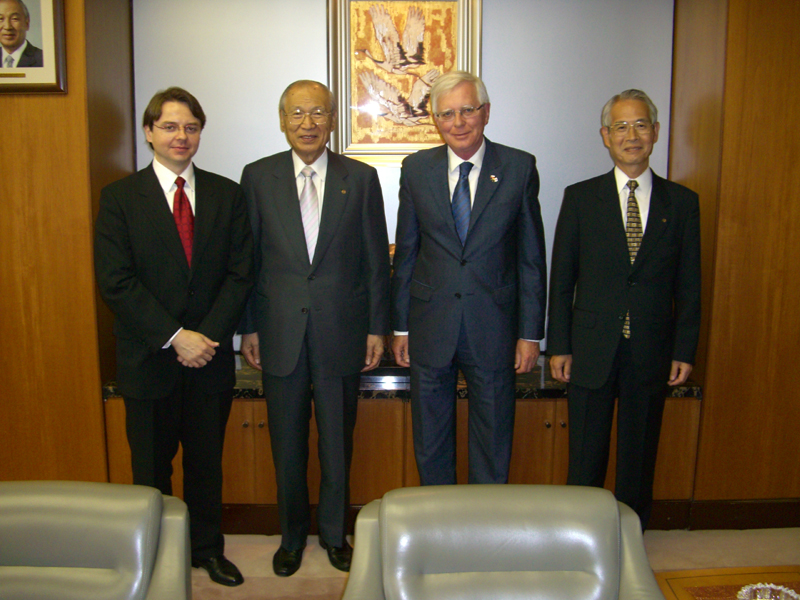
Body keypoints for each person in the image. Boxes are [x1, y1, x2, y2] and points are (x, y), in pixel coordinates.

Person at [94, 87, 253, 586]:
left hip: (209, 359)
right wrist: (175, 336)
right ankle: (157, 559)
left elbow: (240, 274)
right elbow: (116, 281)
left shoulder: (228, 193)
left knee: (206, 467)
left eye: (190, 127)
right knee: (151, 473)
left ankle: (207, 550)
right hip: (148, 360)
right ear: (149, 133)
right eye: (169, 126)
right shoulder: (119, 198)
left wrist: (203, 337)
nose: (181, 136)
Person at [238, 80, 390, 577]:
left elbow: (375, 261)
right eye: (298, 113)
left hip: (342, 333)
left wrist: (376, 328)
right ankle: (289, 538)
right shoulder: (257, 177)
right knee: (286, 444)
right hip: (278, 333)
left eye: (318, 113)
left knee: (337, 444)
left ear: (331, 121)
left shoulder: (361, 178)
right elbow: (249, 261)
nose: (308, 123)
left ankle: (333, 534)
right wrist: (248, 328)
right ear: (283, 120)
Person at [547, 89, 701, 529]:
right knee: (585, 455)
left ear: (654, 132)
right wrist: (558, 345)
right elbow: (562, 280)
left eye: (640, 125)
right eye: (621, 126)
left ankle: (631, 535)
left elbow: (690, 286)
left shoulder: (682, 203)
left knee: (639, 455)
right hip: (591, 348)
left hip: (652, 350)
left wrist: (684, 350)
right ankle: (580, 534)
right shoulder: (580, 198)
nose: (631, 135)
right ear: (605, 136)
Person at [391, 70, 547, 486]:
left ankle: (484, 531)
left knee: (493, 438)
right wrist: (400, 326)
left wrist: (530, 334)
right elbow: (407, 252)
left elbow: (531, 258)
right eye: (446, 114)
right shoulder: (416, 168)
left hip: (493, 325)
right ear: (435, 120)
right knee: (431, 438)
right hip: (429, 326)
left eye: (467, 111)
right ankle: (438, 528)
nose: (458, 123)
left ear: (486, 113)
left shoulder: (518, 167)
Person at [0, 0, 43, 67]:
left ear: (27, 23)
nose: (7, 27)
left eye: (14, 19)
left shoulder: (43, 59)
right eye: (0, 19)